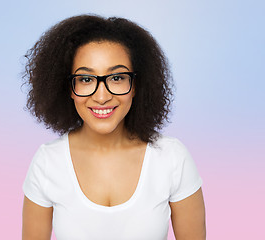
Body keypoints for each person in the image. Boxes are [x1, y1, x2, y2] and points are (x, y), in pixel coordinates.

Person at [22, 14, 206, 240]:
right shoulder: (48, 162)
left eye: (117, 77)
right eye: (86, 79)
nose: (101, 96)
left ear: (136, 85)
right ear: (69, 87)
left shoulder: (172, 159)